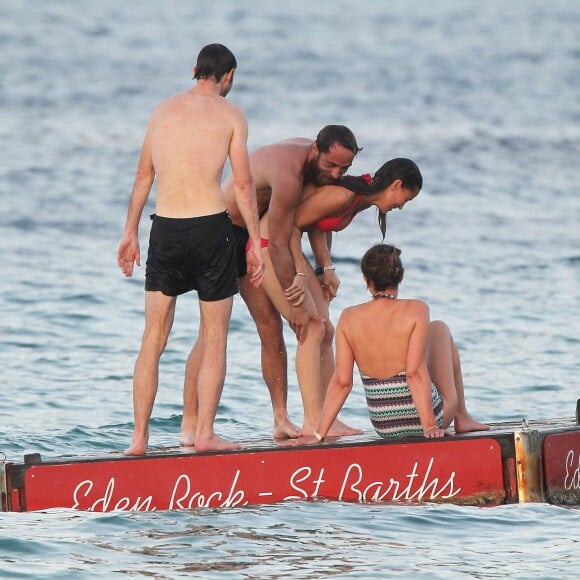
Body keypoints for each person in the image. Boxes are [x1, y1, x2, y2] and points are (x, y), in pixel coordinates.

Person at [116, 43, 264, 456]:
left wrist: (129, 232)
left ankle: (139, 440)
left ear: (195, 69)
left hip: (164, 230)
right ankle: (204, 434)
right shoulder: (232, 115)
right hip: (210, 230)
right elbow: (243, 185)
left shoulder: (162, 111)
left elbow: (144, 175)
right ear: (228, 76)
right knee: (214, 338)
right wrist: (255, 244)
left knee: (153, 338)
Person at [256, 159, 423, 436]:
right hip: (269, 247)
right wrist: (299, 271)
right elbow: (294, 227)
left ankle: (327, 418)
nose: (401, 206)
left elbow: (317, 225)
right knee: (311, 328)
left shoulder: (359, 198)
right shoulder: (345, 195)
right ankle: (313, 421)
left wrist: (325, 268)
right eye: (406, 198)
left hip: (285, 248)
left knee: (326, 329)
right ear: (396, 185)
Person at [219, 126, 361, 438]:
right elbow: (281, 242)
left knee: (312, 326)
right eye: (332, 166)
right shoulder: (290, 172)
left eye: (344, 169)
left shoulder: (316, 170)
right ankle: (280, 418)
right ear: (315, 150)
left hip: (266, 232)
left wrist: (324, 268)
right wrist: (295, 302)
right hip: (231, 231)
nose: (337, 175)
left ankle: (312, 418)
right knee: (269, 327)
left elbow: (312, 221)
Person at [295, 244, 488, 444]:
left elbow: (342, 382)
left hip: (385, 425)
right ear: (400, 277)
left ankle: (457, 417)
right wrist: (430, 426)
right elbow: (415, 373)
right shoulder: (417, 309)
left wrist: (318, 435)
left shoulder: (348, 317)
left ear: (365, 279)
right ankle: (462, 416)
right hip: (426, 420)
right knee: (439, 328)